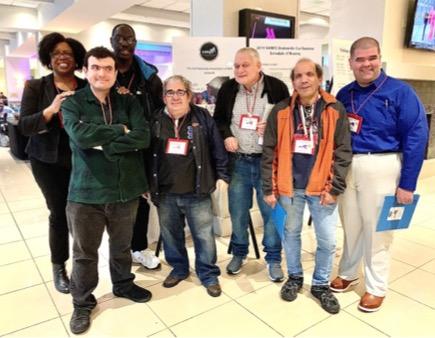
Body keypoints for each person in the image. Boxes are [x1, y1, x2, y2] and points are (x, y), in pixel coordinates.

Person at [331, 37, 429, 312]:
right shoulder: (344, 94)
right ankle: (349, 273)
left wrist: (407, 183)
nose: (366, 64)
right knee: (351, 224)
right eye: (360, 59)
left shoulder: (401, 92)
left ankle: (376, 286)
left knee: (378, 231)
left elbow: (416, 137)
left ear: (379, 58)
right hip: (349, 166)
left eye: (371, 58)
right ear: (350, 62)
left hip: (383, 165)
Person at [61, 47, 152, 334]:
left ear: (115, 72)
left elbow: (144, 136)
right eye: (96, 67)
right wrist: (121, 132)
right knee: (85, 253)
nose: (102, 73)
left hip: (125, 189)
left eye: (108, 68)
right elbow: (80, 136)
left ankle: (123, 284)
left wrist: (105, 140)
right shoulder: (72, 103)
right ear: (86, 71)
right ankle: (82, 301)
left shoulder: (128, 102)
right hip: (86, 193)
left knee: (122, 245)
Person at [261, 58, 352, 314]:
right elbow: (269, 151)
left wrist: (334, 188)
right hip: (290, 187)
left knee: (327, 240)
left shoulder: (335, 109)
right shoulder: (280, 111)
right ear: (293, 81)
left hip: (322, 187)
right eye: (298, 76)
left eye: (309, 74)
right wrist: (268, 187)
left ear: (318, 77)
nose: (304, 80)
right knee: (291, 234)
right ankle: (295, 277)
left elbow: (343, 151)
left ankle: (321, 284)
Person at [149, 75, 230, 297]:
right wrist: (147, 183)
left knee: (203, 236)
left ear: (189, 95)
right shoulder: (155, 119)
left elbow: (217, 147)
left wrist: (223, 175)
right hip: (165, 192)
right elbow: (146, 155)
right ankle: (179, 268)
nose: (175, 97)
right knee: (171, 235)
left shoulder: (202, 117)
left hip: (197, 190)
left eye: (180, 92)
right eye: (170, 92)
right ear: (163, 96)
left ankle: (208, 274)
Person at [18, 32, 86, 294]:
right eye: (57, 53)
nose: (62, 57)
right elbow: (24, 125)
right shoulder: (36, 87)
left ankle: (84, 262)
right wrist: (50, 110)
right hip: (46, 160)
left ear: (76, 58)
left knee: (80, 214)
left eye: (67, 53)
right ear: (48, 57)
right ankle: (59, 266)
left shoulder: (84, 86)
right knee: (58, 212)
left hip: (80, 160)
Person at [214, 47, 289, 281]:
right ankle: (239, 252)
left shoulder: (277, 87)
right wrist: (226, 135)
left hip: (266, 163)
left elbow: (287, 122)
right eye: (236, 65)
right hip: (238, 162)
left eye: (245, 65)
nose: (240, 70)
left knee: (271, 212)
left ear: (259, 66)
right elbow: (219, 120)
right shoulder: (228, 88)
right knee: (237, 212)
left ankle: (274, 258)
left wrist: (272, 129)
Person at [110, 23, 164, 270]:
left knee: (141, 199)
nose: (124, 43)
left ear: (135, 42)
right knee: (113, 201)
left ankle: (139, 248)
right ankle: (117, 251)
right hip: (110, 147)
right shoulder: (103, 71)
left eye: (129, 39)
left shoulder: (149, 77)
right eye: (120, 39)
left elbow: (158, 113)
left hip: (141, 147)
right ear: (112, 41)